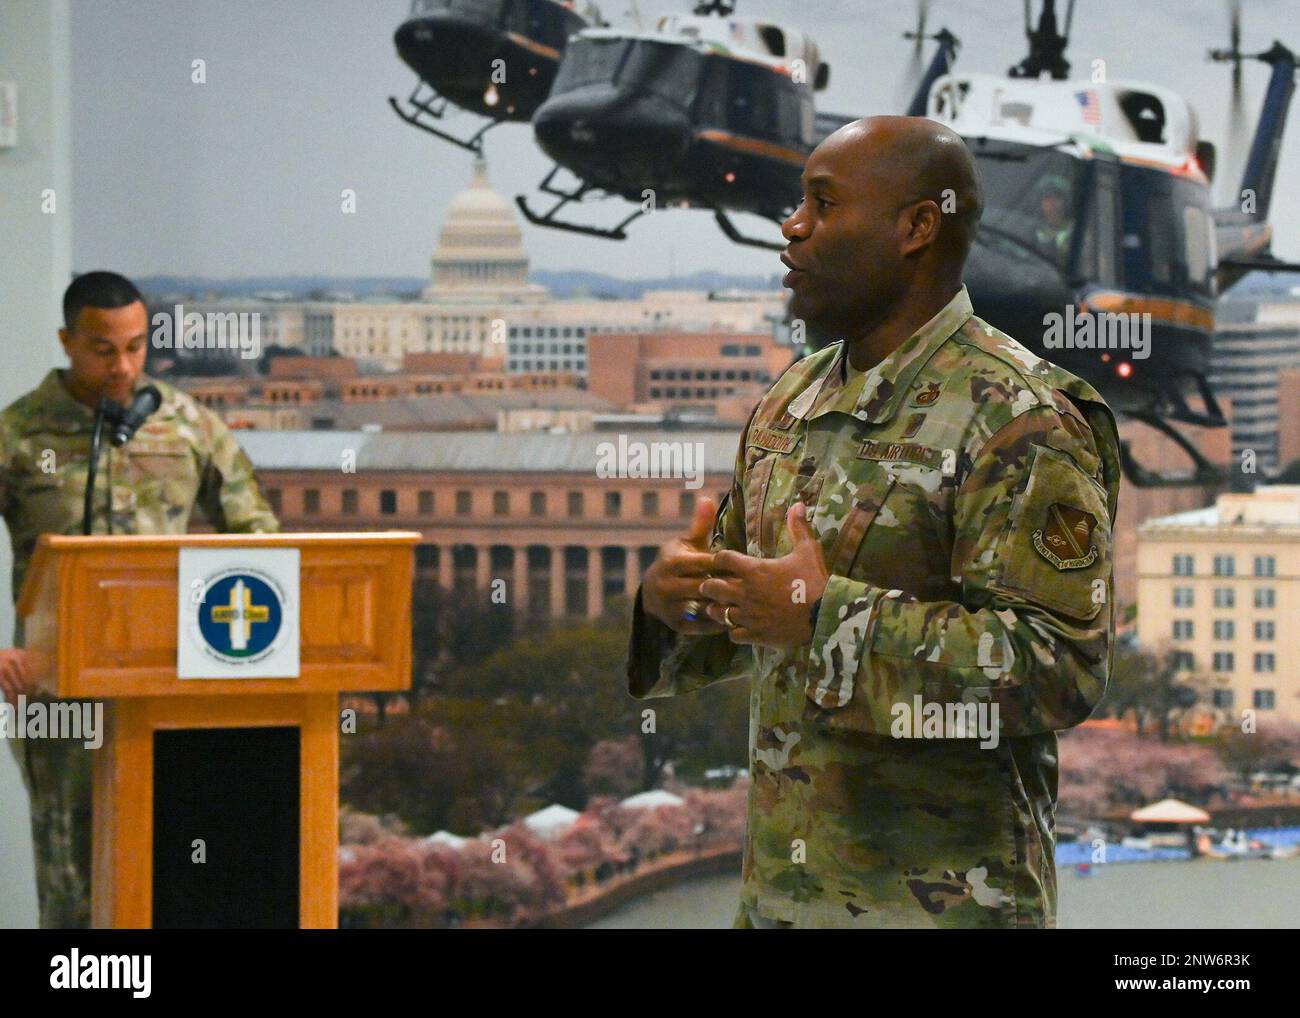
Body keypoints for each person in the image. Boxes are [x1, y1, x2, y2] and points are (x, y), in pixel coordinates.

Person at [626, 116, 1120, 928]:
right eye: (797, 204)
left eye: (823, 204)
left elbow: (1061, 668)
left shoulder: (1019, 416)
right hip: (782, 906)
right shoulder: (793, 398)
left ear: (917, 228)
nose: (792, 227)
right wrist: (674, 601)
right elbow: (745, 624)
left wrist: (825, 617)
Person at [0, 270, 280, 928]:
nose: (122, 365)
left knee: (169, 870)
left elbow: (261, 540)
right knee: (73, 877)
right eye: (103, 350)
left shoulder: (188, 428)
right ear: (68, 341)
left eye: (136, 346)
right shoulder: (19, 436)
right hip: (54, 690)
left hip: (168, 686)